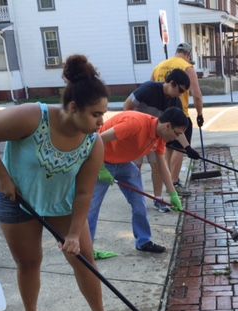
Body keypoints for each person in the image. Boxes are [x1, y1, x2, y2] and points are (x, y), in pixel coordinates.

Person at [0, 55, 128, 311]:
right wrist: (2, 177)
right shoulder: (33, 116)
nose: (101, 121)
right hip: (16, 199)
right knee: (28, 262)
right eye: (95, 114)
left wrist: (74, 233)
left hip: (62, 203)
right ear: (72, 107)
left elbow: (83, 193)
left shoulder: (94, 143)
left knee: (84, 259)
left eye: (103, 114)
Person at [87, 107, 189, 254]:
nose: (176, 138)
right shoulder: (135, 124)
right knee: (92, 206)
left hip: (124, 164)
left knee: (139, 201)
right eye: (176, 133)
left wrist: (173, 194)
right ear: (167, 126)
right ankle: (86, 250)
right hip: (102, 161)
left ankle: (144, 241)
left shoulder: (160, 137)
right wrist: (100, 168)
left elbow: (162, 165)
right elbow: (97, 139)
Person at [123, 68, 199, 213]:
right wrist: (130, 128)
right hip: (137, 134)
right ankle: (136, 199)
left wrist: (188, 148)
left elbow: (177, 128)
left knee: (157, 166)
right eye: (181, 90)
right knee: (135, 168)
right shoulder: (148, 89)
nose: (181, 94)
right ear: (172, 83)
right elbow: (127, 105)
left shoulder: (174, 102)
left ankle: (158, 199)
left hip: (154, 137)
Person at [152, 42, 205, 195]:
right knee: (180, 148)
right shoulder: (187, 67)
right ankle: (174, 182)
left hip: (162, 117)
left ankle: (166, 181)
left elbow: (152, 85)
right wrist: (199, 114)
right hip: (180, 116)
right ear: (188, 55)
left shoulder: (159, 66)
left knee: (166, 149)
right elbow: (196, 94)